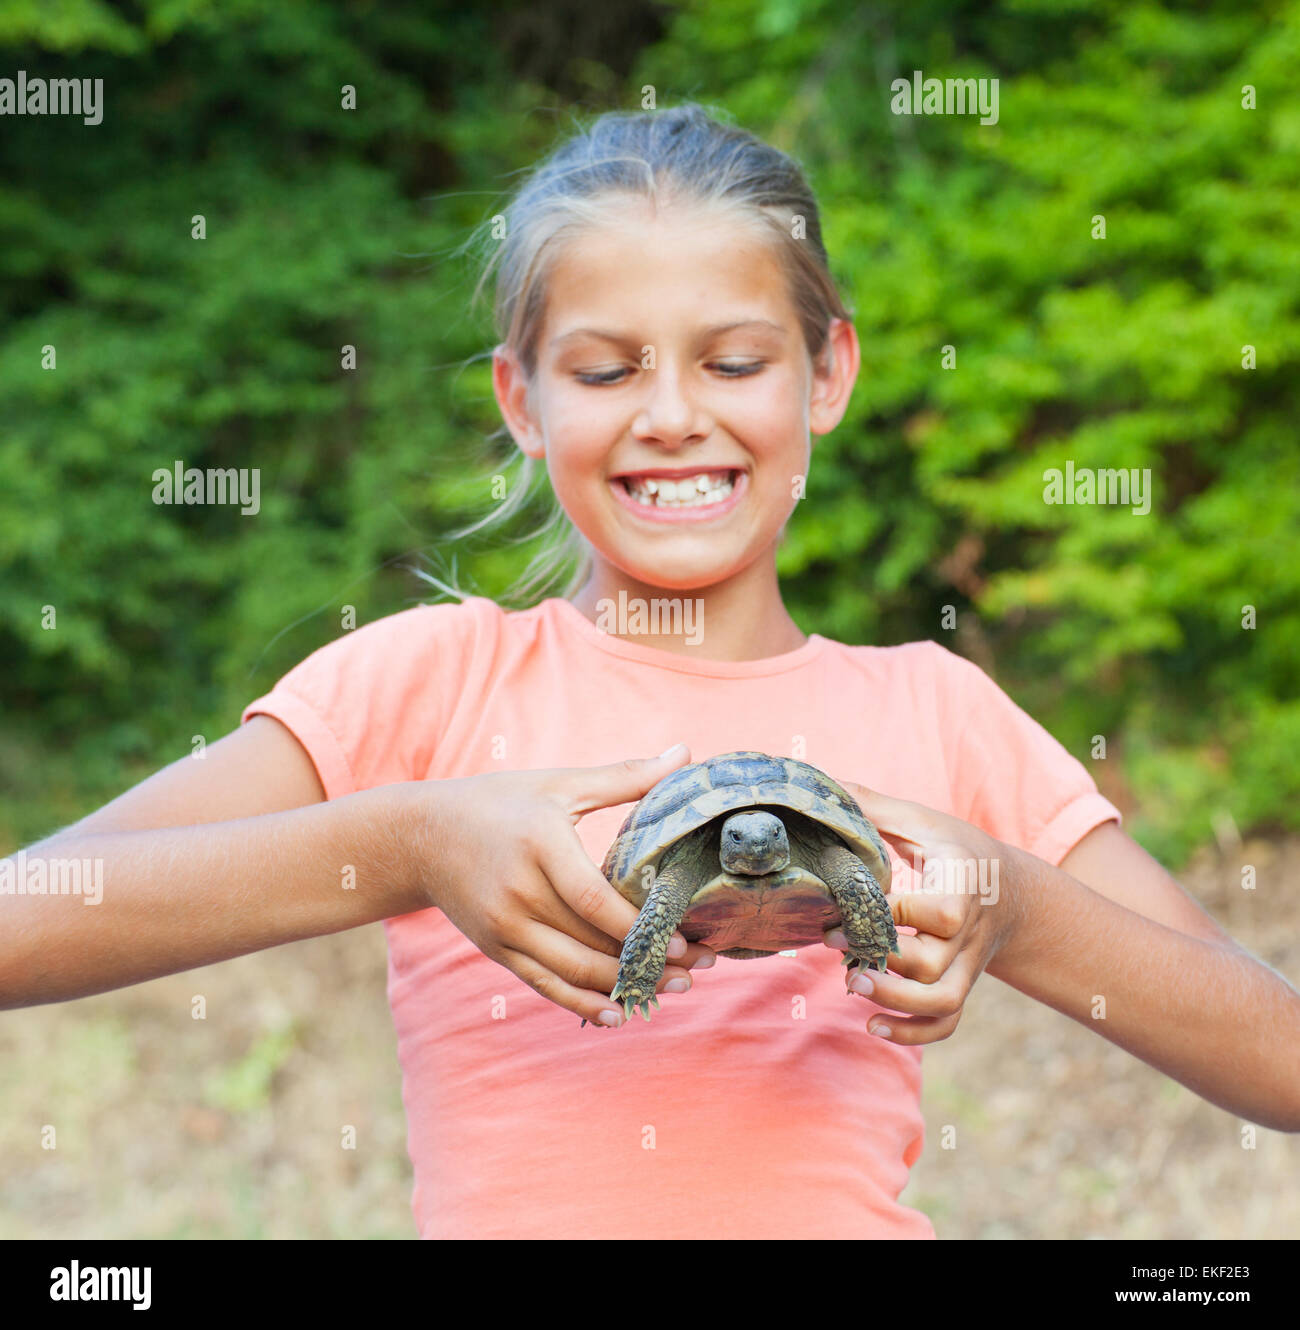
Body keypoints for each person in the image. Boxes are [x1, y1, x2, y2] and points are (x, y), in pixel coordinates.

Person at [6, 103, 1297, 1240]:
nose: (673, 412)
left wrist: (1013, 903)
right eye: (606, 369)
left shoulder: (933, 707)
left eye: (733, 362)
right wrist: (406, 846)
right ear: (522, 399)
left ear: (827, 371)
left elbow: (1281, 1061)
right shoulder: (430, 684)